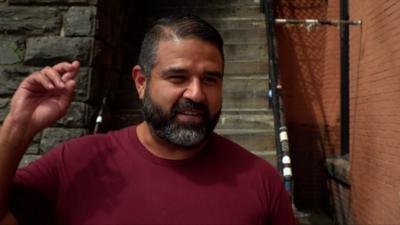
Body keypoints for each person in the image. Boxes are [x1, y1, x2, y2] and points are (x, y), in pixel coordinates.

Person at [0, 15, 296, 225]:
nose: (196, 93)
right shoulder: (75, 162)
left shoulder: (261, 182)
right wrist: (17, 126)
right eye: (178, 77)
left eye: (210, 79)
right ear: (141, 81)